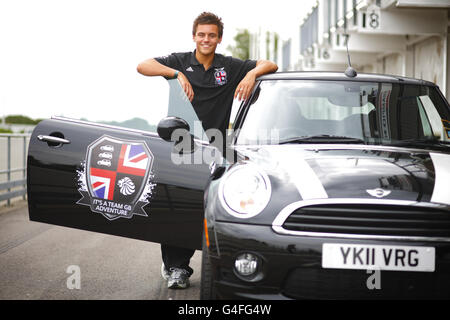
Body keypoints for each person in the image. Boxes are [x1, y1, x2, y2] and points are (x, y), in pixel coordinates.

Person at [137, 12, 278, 289]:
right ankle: (177, 267)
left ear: (219, 38)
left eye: (211, 35)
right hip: (181, 147)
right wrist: (174, 73)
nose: (206, 39)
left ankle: (225, 266)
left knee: (213, 210)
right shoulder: (179, 61)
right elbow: (142, 65)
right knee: (179, 208)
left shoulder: (230, 66)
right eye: (201, 34)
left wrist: (251, 73)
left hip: (215, 149)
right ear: (194, 36)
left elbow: (270, 64)